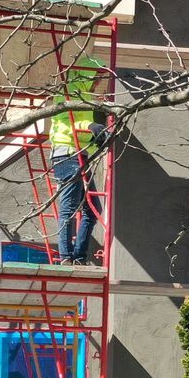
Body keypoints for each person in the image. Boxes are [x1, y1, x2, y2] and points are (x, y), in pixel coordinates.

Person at [49, 55, 110, 264]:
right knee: (69, 207)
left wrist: (96, 141)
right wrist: (92, 128)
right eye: (97, 77)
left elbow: (80, 133)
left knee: (93, 209)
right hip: (67, 154)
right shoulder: (66, 94)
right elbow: (66, 126)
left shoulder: (85, 97)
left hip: (78, 154)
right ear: (86, 75)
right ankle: (66, 256)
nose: (98, 82)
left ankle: (78, 256)